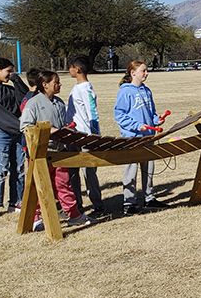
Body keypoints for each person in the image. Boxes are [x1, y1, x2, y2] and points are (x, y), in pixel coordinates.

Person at [20, 70, 96, 230]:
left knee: (64, 184)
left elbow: (62, 126)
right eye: (56, 82)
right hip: (40, 154)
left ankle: (74, 215)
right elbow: (25, 126)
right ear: (44, 84)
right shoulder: (33, 103)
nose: (59, 85)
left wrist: (66, 131)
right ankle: (35, 218)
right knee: (39, 186)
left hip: (59, 152)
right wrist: (47, 131)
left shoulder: (60, 103)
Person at [114, 60, 167, 216]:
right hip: (132, 137)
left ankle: (149, 198)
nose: (146, 73)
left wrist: (157, 120)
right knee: (131, 168)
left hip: (148, 137)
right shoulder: (125, 91)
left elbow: (151, 113)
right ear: (133, 73)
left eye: (146, 70)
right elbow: (120, 115)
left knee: (149, 167)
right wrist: (136, 126)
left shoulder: (147, 91)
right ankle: (129, 202)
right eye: (143, 71)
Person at [0, 58, 27, 220]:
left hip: (16, 131)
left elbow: (25, 98)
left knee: (18, 167)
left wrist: (17, 81)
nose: (10, 75)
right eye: (8, 71)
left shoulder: (9, 89)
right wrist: (19, 125)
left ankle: (16, 201)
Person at [66, 55, 104, 216]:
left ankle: (98, 206)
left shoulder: (86, 88)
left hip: (85, 137)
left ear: (78, 69)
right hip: (73, 136)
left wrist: (94, 136)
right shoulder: (77, 88)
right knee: (72, 171)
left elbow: (92, 113)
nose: (69, 70)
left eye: (71, 67)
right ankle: (77, 206)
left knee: (89, 172)